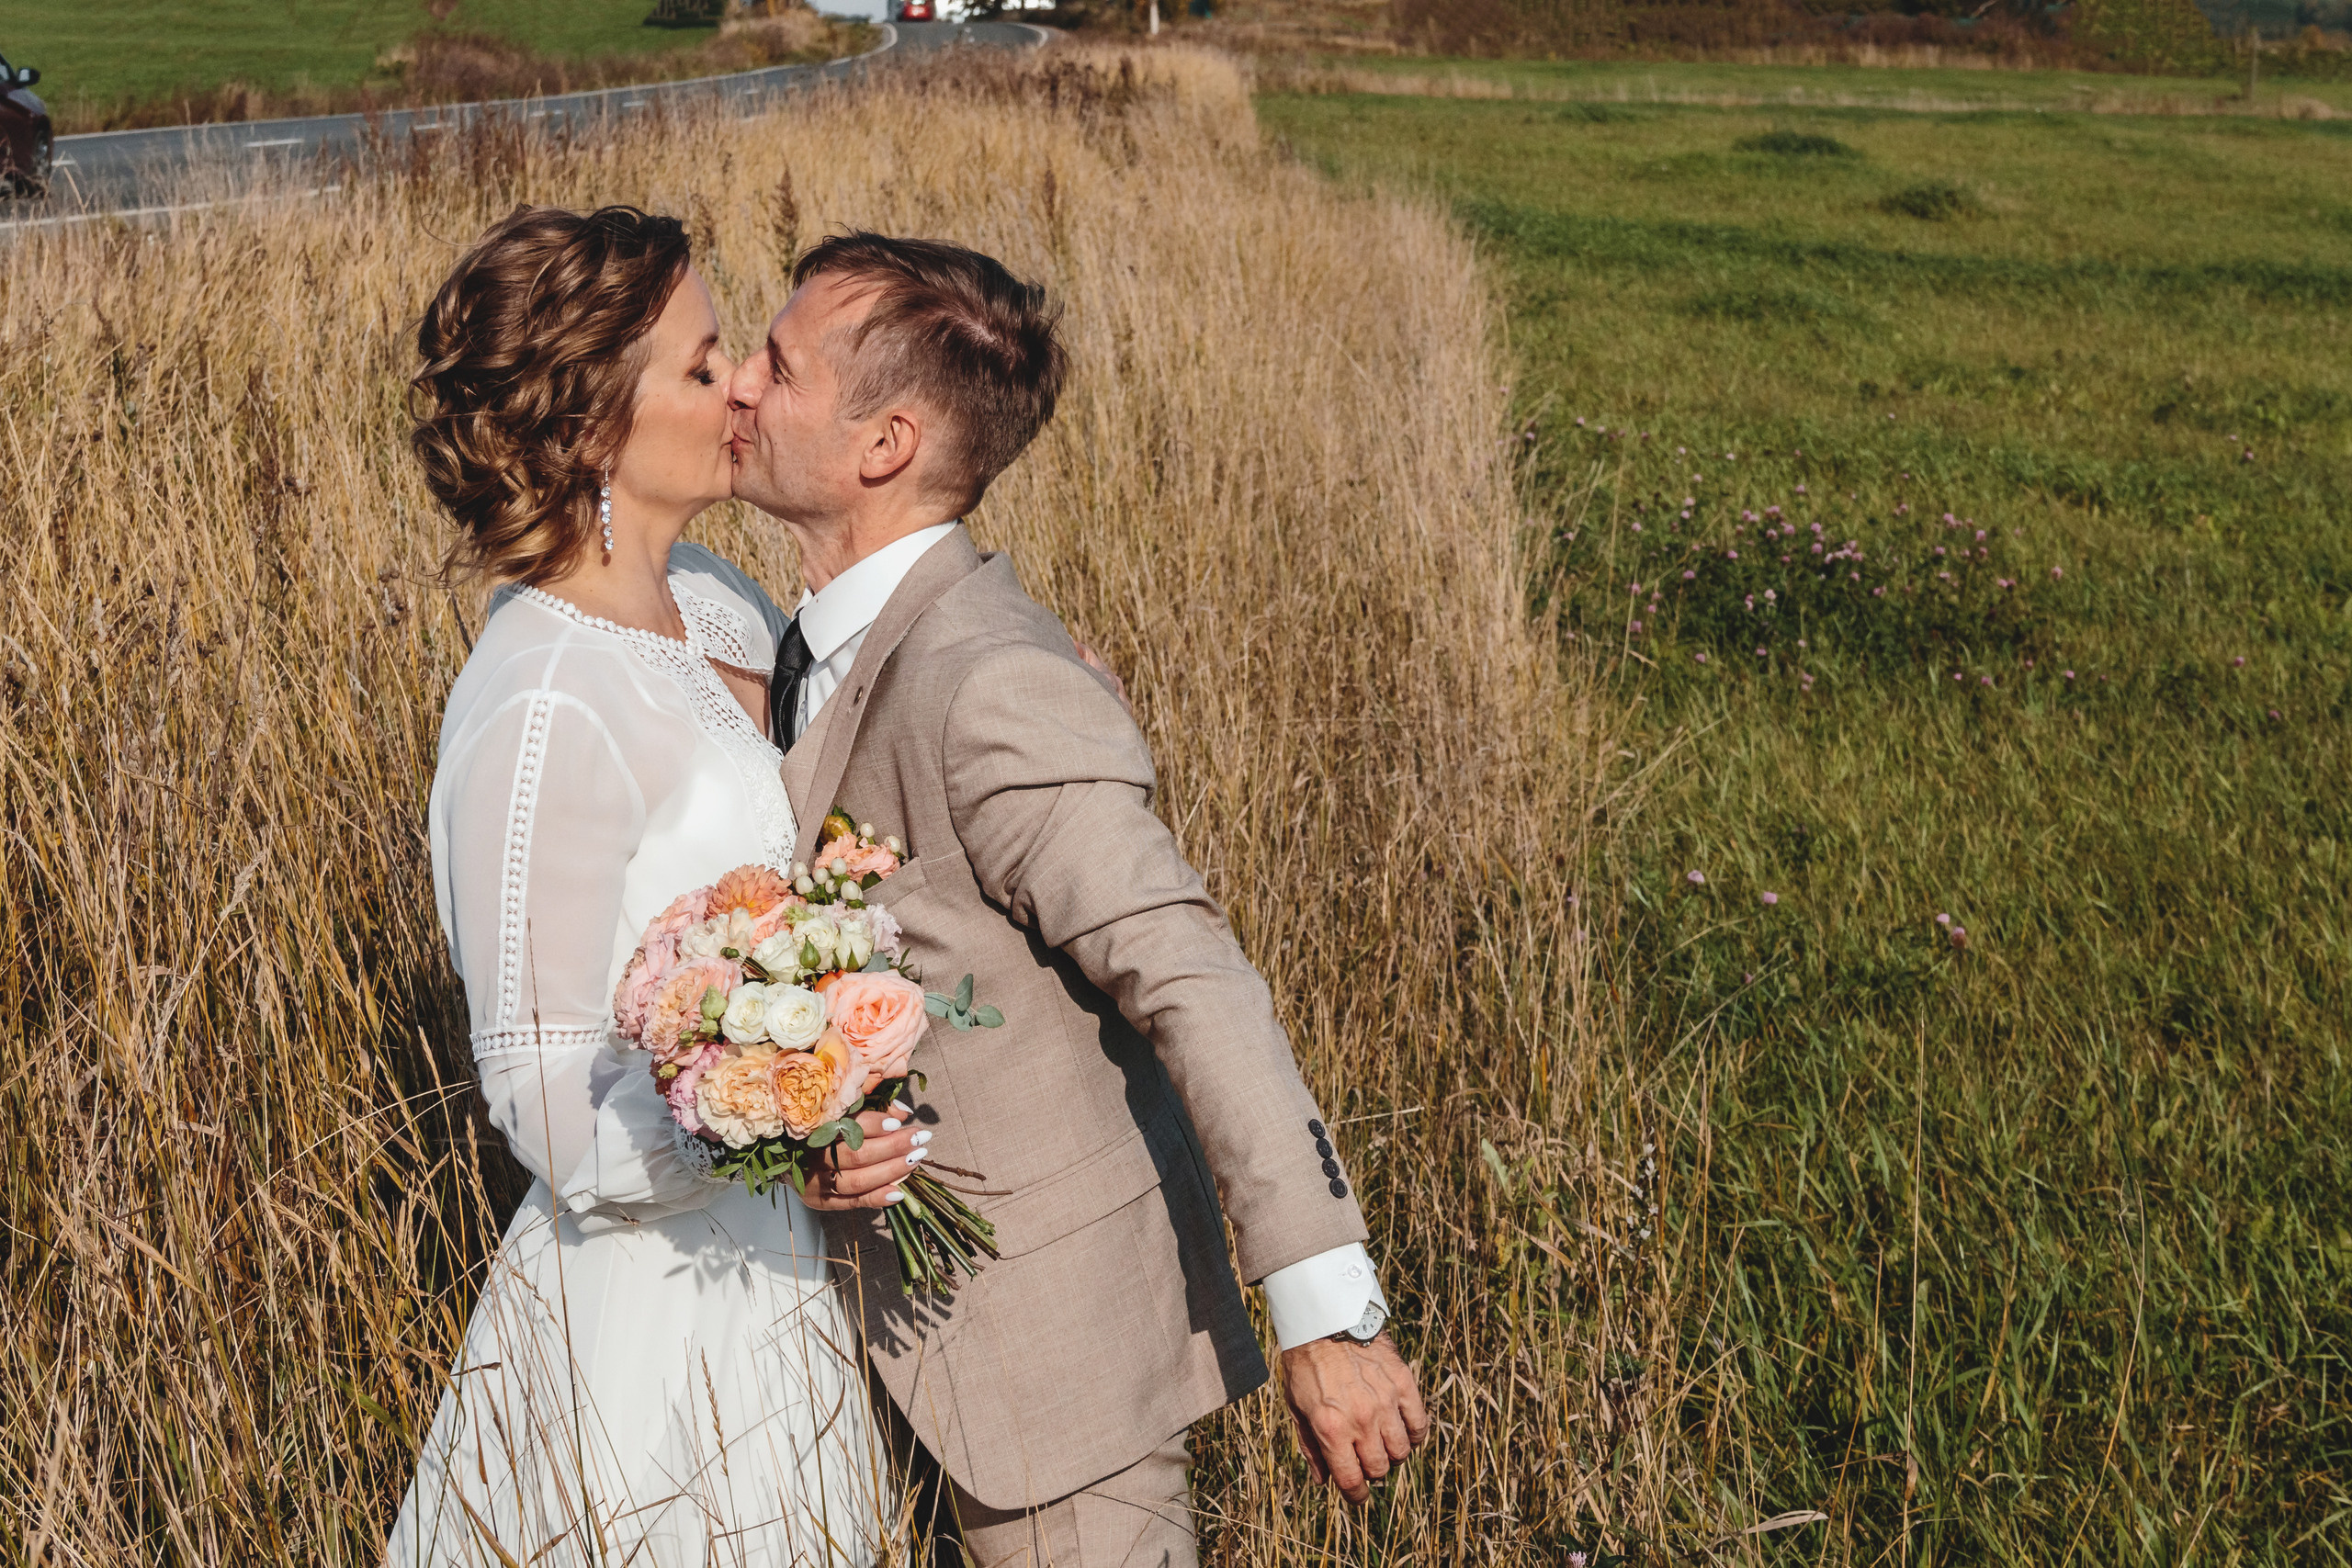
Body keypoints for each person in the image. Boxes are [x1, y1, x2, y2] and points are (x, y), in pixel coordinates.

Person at [726, 231, 1430, 1567]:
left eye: (779, 365)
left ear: (885, 444)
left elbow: (1191, 974)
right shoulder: (813, 632)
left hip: (1051, 1370)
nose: (743, 389)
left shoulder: (989, 679)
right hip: (880, 1354)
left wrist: (1326, 1309)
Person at [389, 206, 886, 1566]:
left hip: (791, 1271)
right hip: (651, 1321)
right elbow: (545, 1095)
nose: (741, 386)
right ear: (594, 429)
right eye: (701, 362)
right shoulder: (540, 700)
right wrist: (782, 1112)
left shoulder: (718, 599)